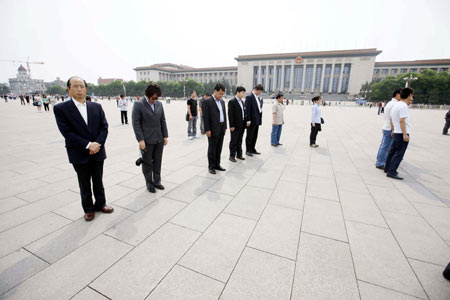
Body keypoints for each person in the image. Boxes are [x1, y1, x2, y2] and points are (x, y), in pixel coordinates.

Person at [53, 76, 112, 222]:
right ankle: (88, 209)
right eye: (75, 86)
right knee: (84, 183)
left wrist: (97, 144)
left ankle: (101, 204)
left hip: (97, 151)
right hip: (79, 152)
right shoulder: (61, 109)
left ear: (86, 89)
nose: (79, 89)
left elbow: (104, 127)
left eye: (82, 86)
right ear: (68, 89)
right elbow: (67, 132)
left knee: (98, 180)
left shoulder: (96, 107)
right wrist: (88, 145)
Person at [132, 82, 168, 193]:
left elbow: (163, 120)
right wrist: (140, 140)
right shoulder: (138, 104)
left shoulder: (159, 104)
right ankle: (149, 183)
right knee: (147, 163)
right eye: (153, 98)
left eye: (157, 98)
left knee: (158, 161)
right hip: (146, 140)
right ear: (147, 95)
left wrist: (165, 135)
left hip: (159, 139)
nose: (155, 100)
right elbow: (136, 123)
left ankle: (157, 181)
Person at [384, 88, 414, 180]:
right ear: (409, 95)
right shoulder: (403, 106)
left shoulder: (397, 105)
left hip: (397, 131)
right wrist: (405, 134)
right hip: (401, 133)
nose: (412, 98)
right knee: (399, 153)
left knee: (392, 151)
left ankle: (387, 168)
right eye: (412, 95)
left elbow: (392, 119)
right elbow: (402, 121)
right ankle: (392, 171)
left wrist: (393, 130)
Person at [203, 83, 227, 174]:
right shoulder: (207, 102)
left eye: (223, 94)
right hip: (212, 129)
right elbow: (205, 117)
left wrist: (225, 127)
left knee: (219, 147)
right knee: (212, 148)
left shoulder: (222, 102)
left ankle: (217, 164)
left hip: (221, 127)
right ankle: (211, 166)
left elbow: (224, 115)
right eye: (220, 93)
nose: (221, 96)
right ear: (215, 91)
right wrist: (207, 129)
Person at [375, 89, 401, 169]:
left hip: (387, 126)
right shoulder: (395, 104)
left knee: (384, 146)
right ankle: (380, 162)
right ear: (397, 94)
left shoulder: (391, 103)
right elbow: (392, 118)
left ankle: (380, 161)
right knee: (386, 147)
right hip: (390, 128)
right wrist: (393, 130)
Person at [228, 86, 247, 162]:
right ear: (237, 92)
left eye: (244, 93)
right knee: (234, 141)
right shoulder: (232, 102)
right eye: (242, 93)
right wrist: (231, 125)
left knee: (239, 140)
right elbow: (230, 115)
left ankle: (239, 154)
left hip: (242, 124)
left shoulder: (242, 101)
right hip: (235, 125)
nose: (243, 95)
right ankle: (232, 156)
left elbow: (244, 113)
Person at [245, 84, 264, 156]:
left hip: (257, 120)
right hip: (251, 120)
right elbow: (247, 109)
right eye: (259, 91)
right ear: (256, 90)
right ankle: (248, 150)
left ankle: (253, 148)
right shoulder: (249, 97)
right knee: (249, 136)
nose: (260, 93)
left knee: (255, 135)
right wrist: (248, 120)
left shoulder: (258, 97)